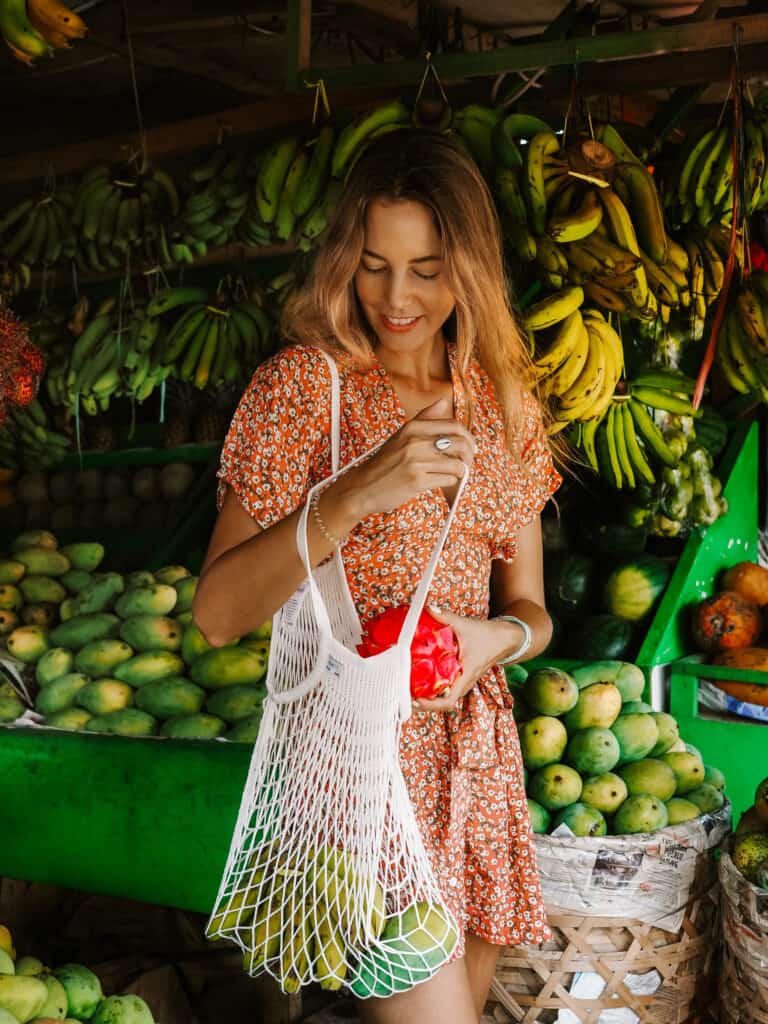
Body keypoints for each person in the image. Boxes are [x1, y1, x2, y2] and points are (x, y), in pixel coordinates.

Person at [193, 126, 562, 1024]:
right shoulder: (301, 391)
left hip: (476, 770)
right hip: (362, 772)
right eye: (373, 264)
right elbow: (215, 613)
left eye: (428, 268)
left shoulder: (503, 404)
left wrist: (493, 640)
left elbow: (533, 612)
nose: (398, 297)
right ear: (341, 262)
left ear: (469, 268)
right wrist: (354, 493)